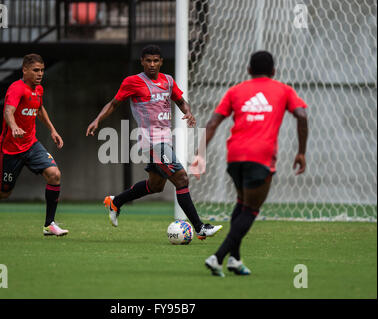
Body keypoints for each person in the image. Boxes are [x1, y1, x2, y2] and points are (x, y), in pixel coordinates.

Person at [86, 44, 223, 239]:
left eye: (155, 61)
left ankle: (116, 202)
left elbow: (180, 101)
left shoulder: (168, 81)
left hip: (165, 139)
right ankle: (200, 227)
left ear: (161, 62)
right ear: (142, 62)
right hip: (151, 142)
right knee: (182, 178)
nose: (152, 64)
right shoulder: (133, 82)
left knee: (156, 185)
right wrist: (97, 120)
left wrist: (188, 112)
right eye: (148, 61)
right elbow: (114, 104)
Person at [191, 51, 308, 276]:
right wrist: (301, 152)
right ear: (274, 71)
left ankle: (235, 259)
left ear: (248, 70)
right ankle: (218, 257)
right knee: (251, 209)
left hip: (234, 155)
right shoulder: (284, 90)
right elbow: (302, 116)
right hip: (260, 157)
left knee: (242, 203)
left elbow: (213, 121)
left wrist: (200, 154)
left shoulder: (236, 91)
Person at [0, 53, 69, 237]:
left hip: (31, 144)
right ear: (25, 70)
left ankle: (49, 224)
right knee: (3, 192)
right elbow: (8, 111)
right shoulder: (16, 88)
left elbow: (39, 108)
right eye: (36, 70)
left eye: (42, 70)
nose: (40, 74)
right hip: (11, 149)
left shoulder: (38, 90)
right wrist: (13, 126)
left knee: (54, 175)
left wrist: (53, 130)